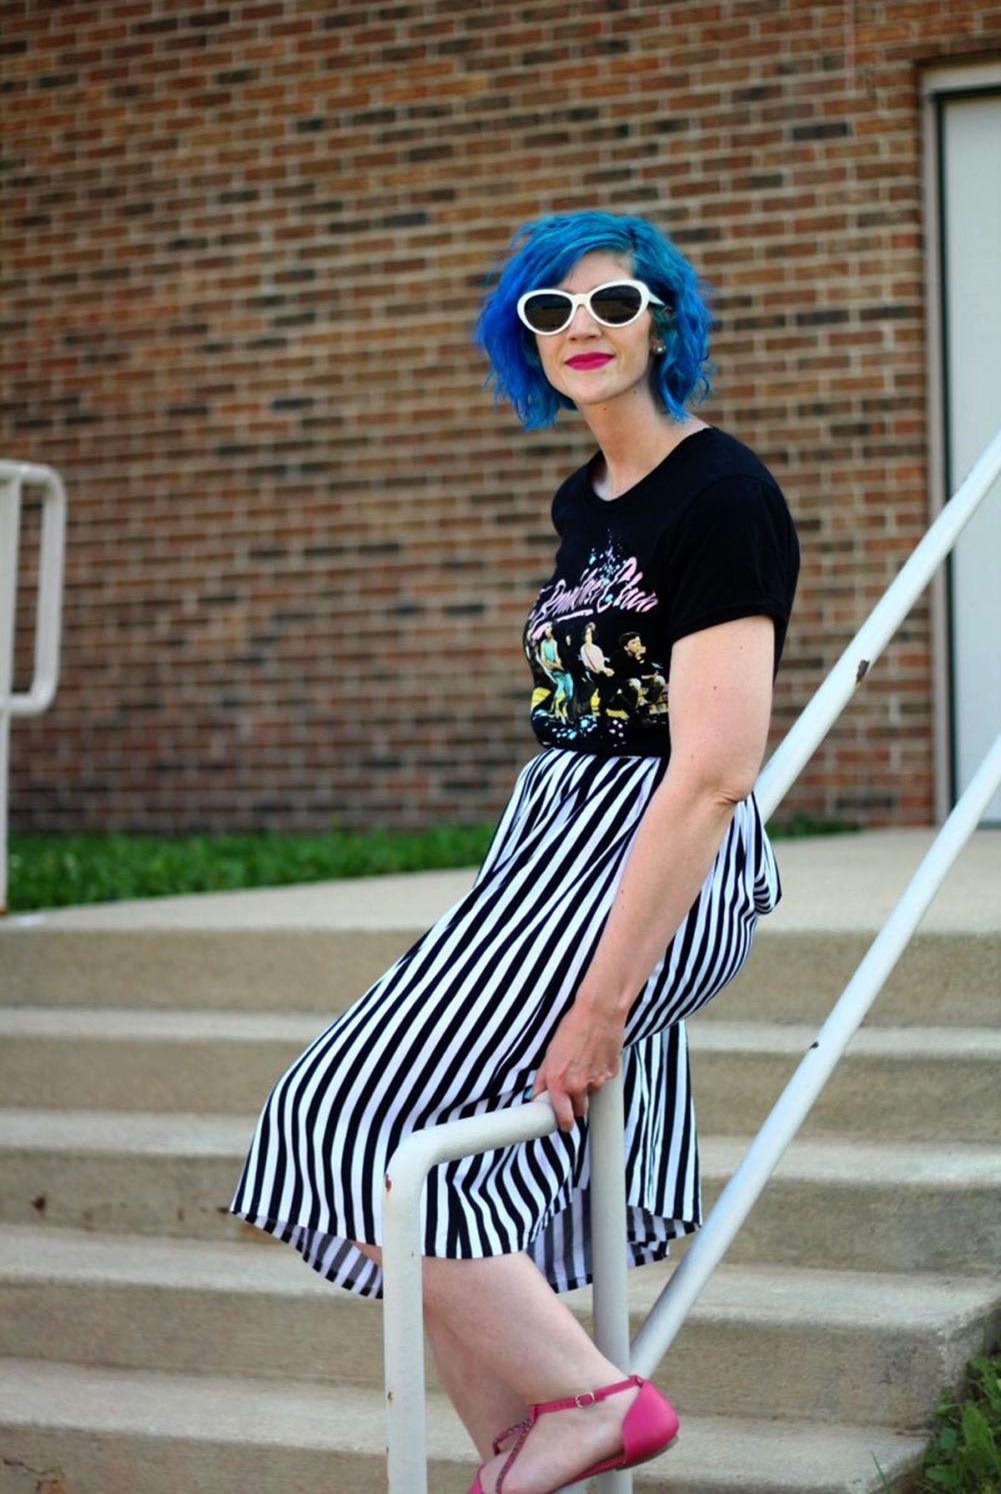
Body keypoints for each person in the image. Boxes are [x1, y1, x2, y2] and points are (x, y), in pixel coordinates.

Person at [229, 209, 800, 1494]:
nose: (580, 331)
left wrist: (603, 1002)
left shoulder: (723, 493)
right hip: (545, 843)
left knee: (335, 1116)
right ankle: (513, 1457)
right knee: (436, 1179)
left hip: (646, 850)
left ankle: (600, 1403)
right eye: (549, 314)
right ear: (524, 344)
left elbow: (709, 769)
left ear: (662, 318)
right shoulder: (583, 501)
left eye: (610, 304)